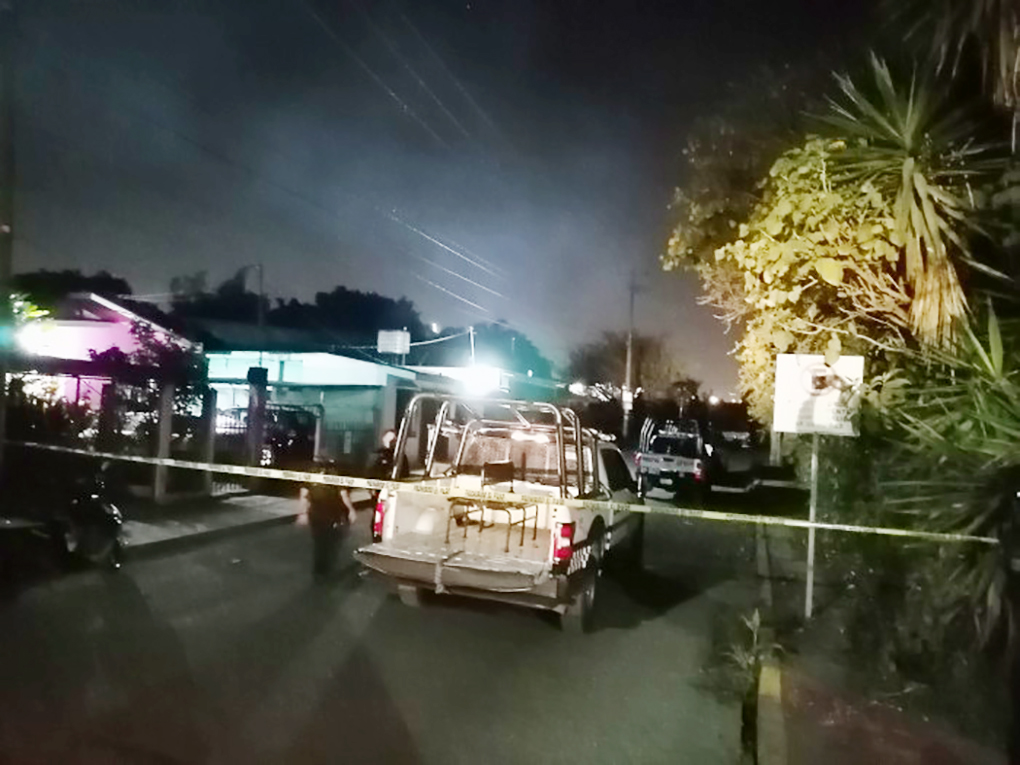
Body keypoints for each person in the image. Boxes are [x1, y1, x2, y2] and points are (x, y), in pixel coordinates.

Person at [298, 460, 357, 581]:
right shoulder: (330, 474)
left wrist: (303, 513)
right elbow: (343, 495)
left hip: (324, 514)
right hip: (326, 514)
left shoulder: (318, 474)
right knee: (326, 543)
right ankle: (322, 570)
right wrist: (351, 510)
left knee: (323, 543)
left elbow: (304, 495)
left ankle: (321, 570)